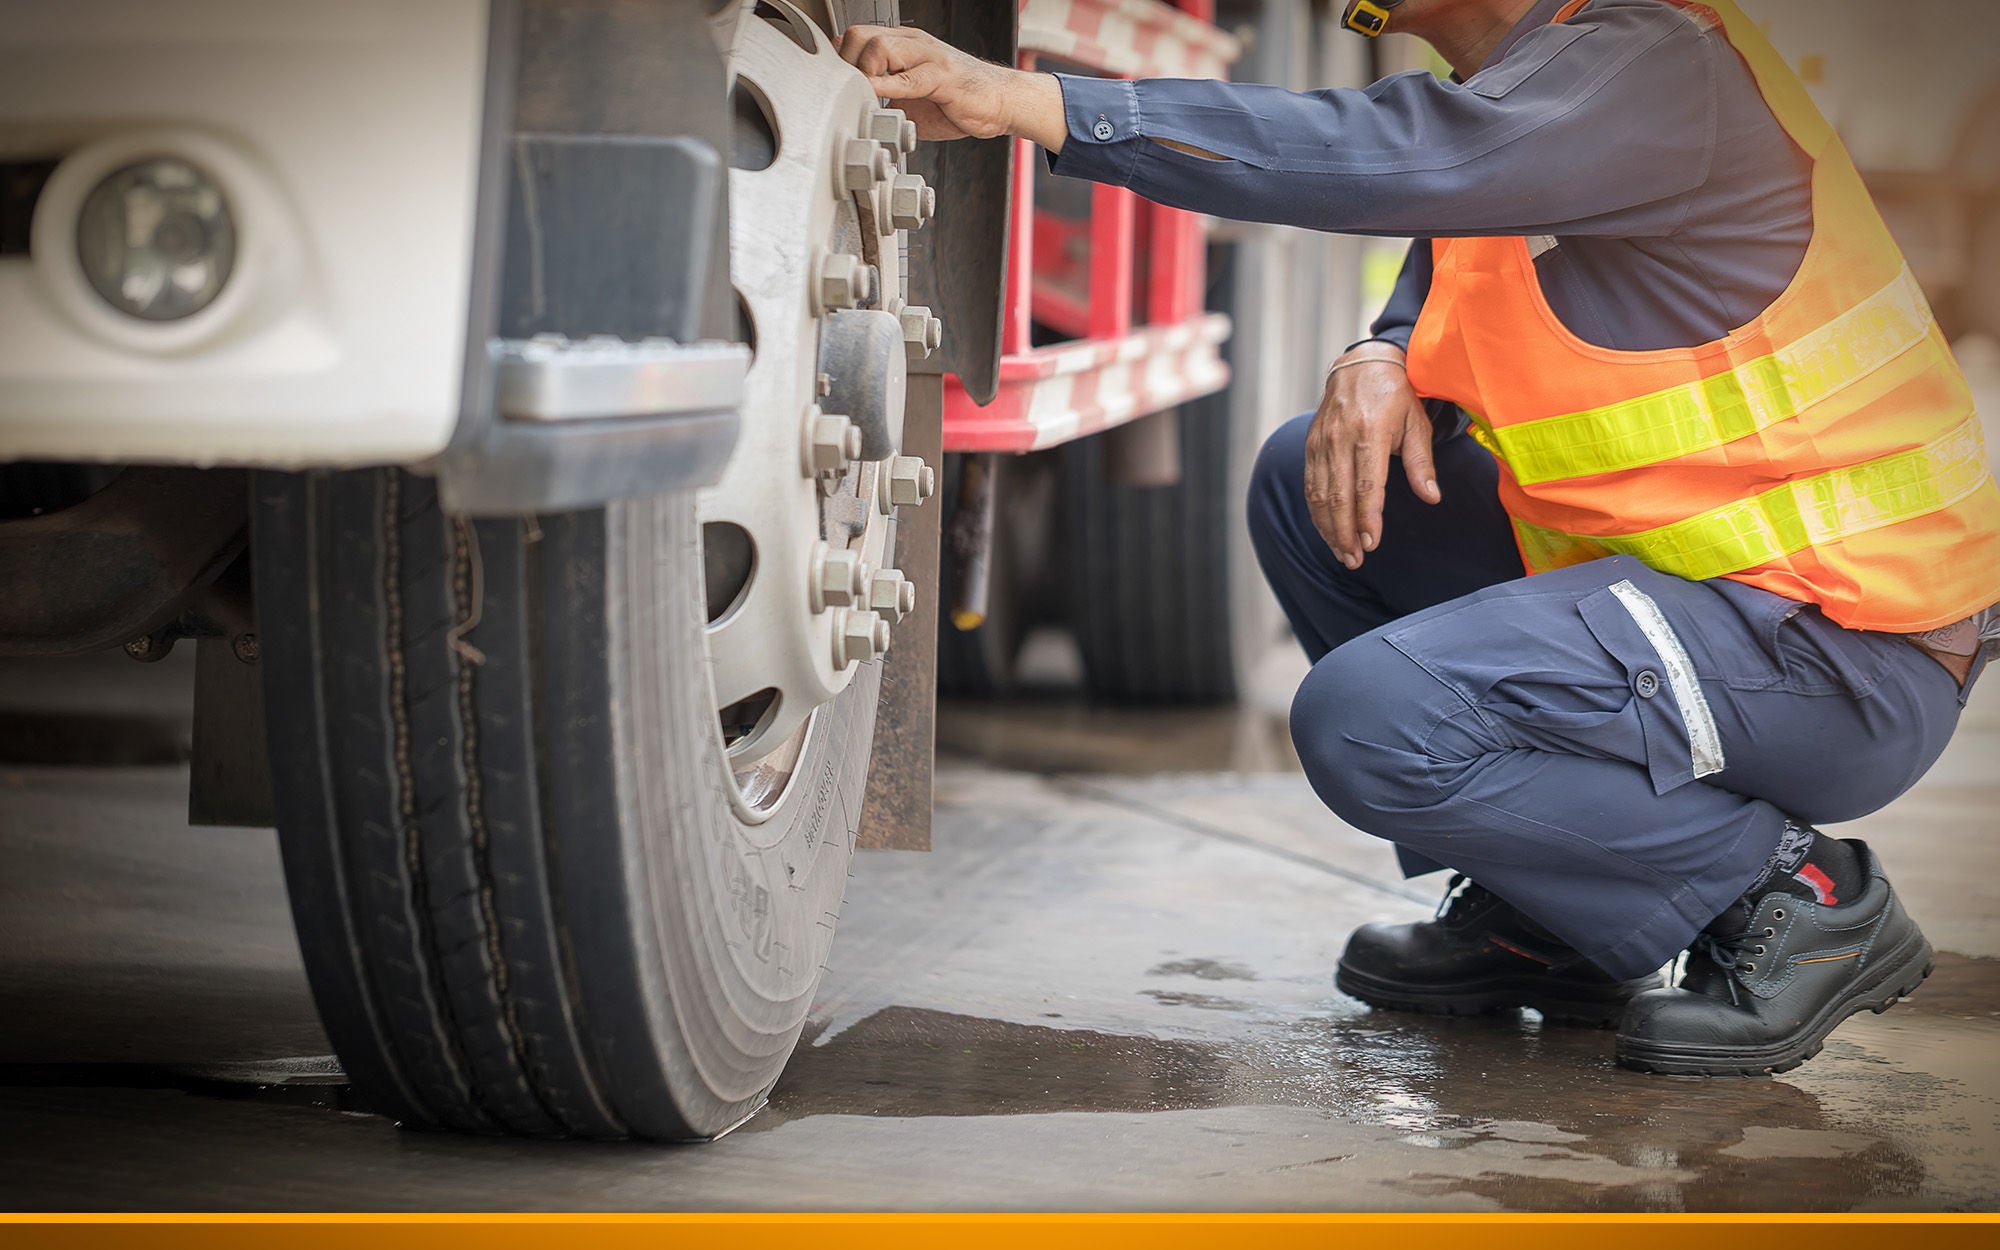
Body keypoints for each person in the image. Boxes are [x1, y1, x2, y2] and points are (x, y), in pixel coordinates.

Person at [839, 0, 2000, 1074]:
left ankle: (1794, 894)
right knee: (1310, 485)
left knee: (1371, 720)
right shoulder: (1520, 88)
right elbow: (1452, 235)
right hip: (1715, 604)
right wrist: (1379, 350)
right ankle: (1554, 918)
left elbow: (1399, 155)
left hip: (1843, 645)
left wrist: (1039, 104)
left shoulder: (1653, 63)